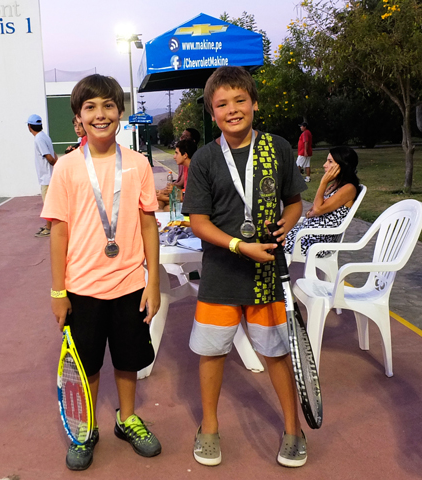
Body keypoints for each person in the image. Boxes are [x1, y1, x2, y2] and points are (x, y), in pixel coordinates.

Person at [182, 66, 308, 468]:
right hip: (221, 272)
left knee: (275, 353)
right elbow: (198, 222)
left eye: (240, 100)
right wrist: (239, 244)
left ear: (254, 103)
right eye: (222, 104)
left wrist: (288, 222)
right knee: (212, 353)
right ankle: (210, 428)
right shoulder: (204, 159)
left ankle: (293, 429)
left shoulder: (278, 148)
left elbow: (294, 201)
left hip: (266, 272)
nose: (232, 109)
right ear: (212, 113)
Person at [41, 74, 162, 471]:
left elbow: (148, 225)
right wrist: (59, 292)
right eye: (90, 107)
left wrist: (153, 282)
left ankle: (127, 419)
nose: (100, 114)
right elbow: (58, 232)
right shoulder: (68, 168)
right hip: (82, 288)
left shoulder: (139, 164)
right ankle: (88, 427)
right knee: (88, 365)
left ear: (120, 113)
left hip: (129, 284)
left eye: (108, 105)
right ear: (78, 119)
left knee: (128, 360)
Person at [284, 146, 360, 257]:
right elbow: (314, 209)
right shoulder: (335, 186)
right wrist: (315, 211)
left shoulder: (349, 188)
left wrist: (323, 183)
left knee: (273, 245)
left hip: (317, 242)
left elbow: (317, 209)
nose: (324, 165)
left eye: (330, 161)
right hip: (307, 234)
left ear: (342, 165)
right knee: (270, 239)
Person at [27, 114, 58, 237]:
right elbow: (53, 153)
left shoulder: (38, 139)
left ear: (29, 126)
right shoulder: (45, 136)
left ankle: (49, 229)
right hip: (49, 176)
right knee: (49, 203)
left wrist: (57, 166)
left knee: (48, 204)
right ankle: (48, 226)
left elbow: (49, 157)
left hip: (46, 178)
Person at [156, 139, 197, 210]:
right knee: (158, 201)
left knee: (167, 208)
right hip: (186, 200)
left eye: (176, 153)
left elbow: (188, 197)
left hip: (193, 206)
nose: (174, 157)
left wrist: (164, 197)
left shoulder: (196, 171)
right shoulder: (187, 167)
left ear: (185, 155)